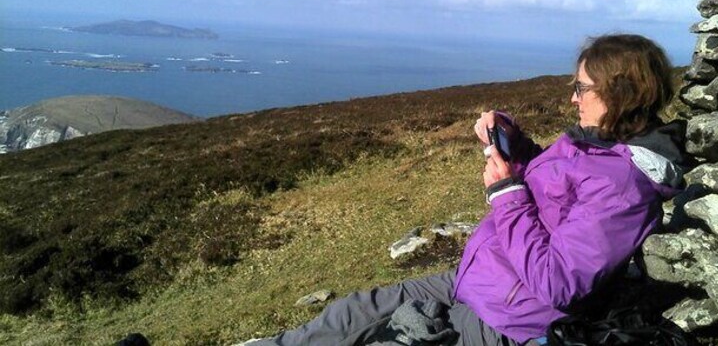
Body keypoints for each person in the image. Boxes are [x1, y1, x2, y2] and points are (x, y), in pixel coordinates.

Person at [251, 34, 686, 346]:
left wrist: (506, 194)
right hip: (476, 279)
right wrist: (511, 139)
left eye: (581, 87)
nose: (573, 98)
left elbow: (558, 283)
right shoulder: (590, 145)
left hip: (509, 316)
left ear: (620, 94)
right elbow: (544, 179)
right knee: (356, 310)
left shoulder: (624, 185)